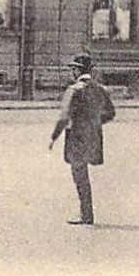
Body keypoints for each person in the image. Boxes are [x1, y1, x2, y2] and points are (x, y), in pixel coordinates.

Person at [50, 53, 115, 225]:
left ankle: (86, 215)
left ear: (78, 71)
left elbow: (64, 117)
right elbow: (110, 113)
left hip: (77, 137)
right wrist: (94, 123)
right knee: (83, 174)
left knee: (79, 175)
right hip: (94, 137)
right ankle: (86, 214)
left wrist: (53, 137)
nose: (71, 72)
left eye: (73, 69)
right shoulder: (100, 89)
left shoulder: (74, 90)